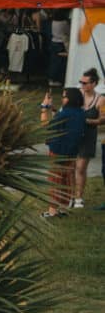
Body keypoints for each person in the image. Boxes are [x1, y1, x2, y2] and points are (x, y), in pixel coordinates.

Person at [40, 88, 87, 219]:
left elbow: (45, 125)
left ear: (70, 98)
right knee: (66, 179)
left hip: (58, 151)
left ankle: (52, 211)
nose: (62, 99)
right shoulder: (80, 112)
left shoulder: (65, 113)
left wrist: (44, 107)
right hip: (72, 152)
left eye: (64, 96)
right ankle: (62, 207)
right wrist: (53, 109)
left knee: (55, 180)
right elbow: (63, 123)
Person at [77, 68, 101, 210]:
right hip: (74, 135)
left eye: (85, 83)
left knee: (81, 167)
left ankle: (79, 197)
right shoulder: (77, 95)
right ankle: (69, 195)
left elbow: (103, 119)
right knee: (70, 166)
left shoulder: (101, 99)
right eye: (81, 82)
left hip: (88, 136)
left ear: (94, 84)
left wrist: (89, 121)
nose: (82, 85)